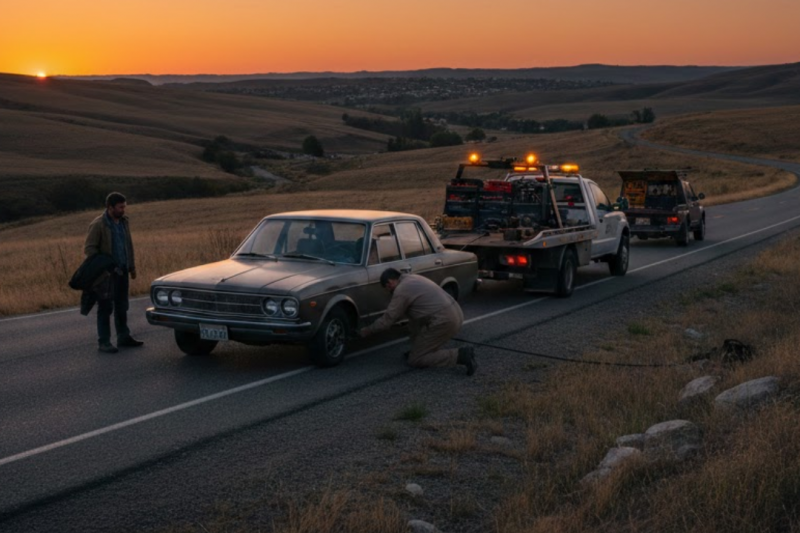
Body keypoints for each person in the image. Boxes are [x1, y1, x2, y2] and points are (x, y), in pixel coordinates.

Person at [359, 268, 477, 376]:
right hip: (455, 313)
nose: (388, 291)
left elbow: (388, 320)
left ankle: (460, 355)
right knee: (414, 320)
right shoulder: (412, 278)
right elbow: (410, 319)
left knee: (415, 360)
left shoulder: (401, 290)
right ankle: (419, 348)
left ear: (390, 282)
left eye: (387, 288)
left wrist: (367, 330)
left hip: (444, 321)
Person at [84, 192, 143, 353]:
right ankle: (104, 342)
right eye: (120, 207)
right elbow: (89, 249)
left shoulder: (124, 222)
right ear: (110, 208)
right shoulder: (98, 224)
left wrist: (131, 267)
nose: (123, 210)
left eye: (124, 206)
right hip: (106, 275)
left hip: (122, 271)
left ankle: (124, 336)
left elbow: (128, 245)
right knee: (105, 307)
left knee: (122, 306)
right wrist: (104, 266)